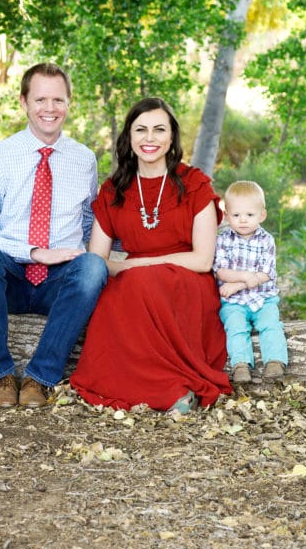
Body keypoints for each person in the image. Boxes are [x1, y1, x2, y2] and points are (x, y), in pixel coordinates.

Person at [69, 98, 232, 413]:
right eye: (141, 129)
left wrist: (134, 265)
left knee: (140, 283)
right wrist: (131, 270)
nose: (150, 138)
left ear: (172, 137)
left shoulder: (194, 184)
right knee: (118, 298)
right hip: (132, 283)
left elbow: (202, 260)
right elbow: (97, 260)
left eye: (159, 129)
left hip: (188, 282)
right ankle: (161, 392)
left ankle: (176, 386)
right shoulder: (114, 191)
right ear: (128, 138)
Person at [0, 63, 109, 409]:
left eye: (58, 100)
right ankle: (0, 376)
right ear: (23, 102)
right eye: (41, 99)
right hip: (10, 278)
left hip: (59, 284)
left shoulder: (84, 159)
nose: (50, 109)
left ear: (69, 104)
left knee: (93, 267)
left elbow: (90, 224)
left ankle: (38, 379)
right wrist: (34, 252)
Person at [214, 180, 289, 385]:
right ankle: (241, 364)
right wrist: (247, 277)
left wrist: (240, 283)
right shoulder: (223, 240)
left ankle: (275, 361)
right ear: (226, 215)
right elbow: (220, 270)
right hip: (234, 301)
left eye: (250, 215)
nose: (243, 220)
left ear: (262, 215)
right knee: (235, 326)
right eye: (236, 215)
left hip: (263, 297)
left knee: (270, 324)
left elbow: (266, 273)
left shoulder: (266, 240)